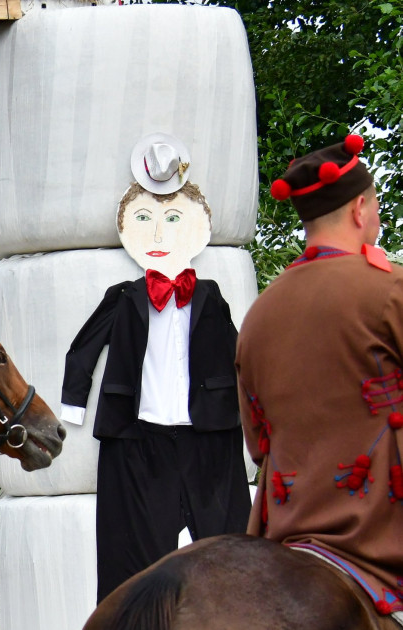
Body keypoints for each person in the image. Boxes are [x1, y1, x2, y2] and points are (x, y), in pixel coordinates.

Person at [61, 134, 250, 602]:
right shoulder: (125, 296)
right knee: (132, 555)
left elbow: (240, 352)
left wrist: (255, 407)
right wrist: (73, 407)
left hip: (207, 433)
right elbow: (83, 349)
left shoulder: (209, 295)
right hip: (136, 437)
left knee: (228, 547)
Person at [238, 134, 403, 622]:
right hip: (378, 532)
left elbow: (257, 441)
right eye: (374, 206)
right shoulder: (390, 289)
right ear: (359, 209)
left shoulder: (259, 313)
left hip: (285, 526)